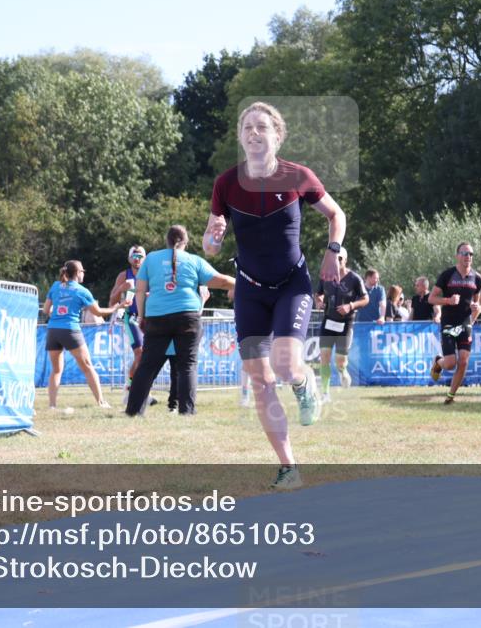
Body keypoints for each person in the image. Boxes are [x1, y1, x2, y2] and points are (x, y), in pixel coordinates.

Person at [204, 101, 346, 490]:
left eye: (262, 127)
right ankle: (289, 467)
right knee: (260, 380)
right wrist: (211, 238)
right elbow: (212, 244)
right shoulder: (226, 184)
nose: (254, 133)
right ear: (240, 136)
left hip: (291, 285)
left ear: (277, 135)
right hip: (249, 289)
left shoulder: (298, 176)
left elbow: (337, 215)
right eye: (247, 127)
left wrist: (333, 252)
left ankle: (304, 385)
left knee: (285, 365)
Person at [126, 226, 234, 417]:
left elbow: (140, 291)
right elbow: (221, 281)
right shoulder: (194, 260)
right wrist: (245, 281)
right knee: (187, 365)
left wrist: (142, 317)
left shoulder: (151, 259)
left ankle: (134, 412)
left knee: (147, 366)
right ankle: (187, 411)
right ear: (186, 242)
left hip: (157, 317)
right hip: (188, 317)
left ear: (166, 240)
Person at [43, 260, 121, 410]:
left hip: (53, 330)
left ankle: (52, 405)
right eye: (82, 271)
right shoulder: (81, 291)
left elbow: (46, 310)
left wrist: (59, 315)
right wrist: (115, 308)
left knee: (56, 370)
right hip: (70, 330)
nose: (83, 274)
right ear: (78, 273)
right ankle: (101, 402)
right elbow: (98, 312)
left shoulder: (55, 286)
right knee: (88, 367)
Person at [429, 243, 481, 405]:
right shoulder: (447, 275)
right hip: (449, 323)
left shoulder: (477, 278)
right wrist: (448, 300)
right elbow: (431, 298)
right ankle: (438, 362)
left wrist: (477, 307)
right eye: (465, 253)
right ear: (457, 256)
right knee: (451, 362)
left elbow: (478, 302)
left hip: (465, 324)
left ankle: (450, 396)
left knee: (464, 361)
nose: (468, 257)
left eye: (471, 254)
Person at [314, 247, 368, 404]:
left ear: (346, 260)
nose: (337, 262)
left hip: (345, 323)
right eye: (334, 259)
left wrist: (350, 306)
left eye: (340, 259)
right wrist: (318, 301)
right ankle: (325, 394)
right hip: (328, 321)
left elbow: (366, 299)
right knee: (324, 356)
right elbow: (319, 293)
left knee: (340, 360)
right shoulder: (326, 276)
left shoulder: (354, 279)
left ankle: (343, 370)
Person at [109, 246, 150, 403]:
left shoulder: (150, 274)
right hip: (132, 317)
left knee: (148, 355)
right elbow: (112, 300)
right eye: (134, 255)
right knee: (139, 353)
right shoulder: (123, 275)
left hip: (149, 317)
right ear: (129, 258)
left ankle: (138, 390)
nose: (137, 258)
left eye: (140, 255)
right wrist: (121, 288)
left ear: (145, 258)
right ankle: (130, 391)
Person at [166, 286, 211, 412]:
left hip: (183, 335)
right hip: (176, 334)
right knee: (179, 370)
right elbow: (196, 314)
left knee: (179, 370)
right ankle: (176, 404)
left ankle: (178, 404)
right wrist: (202, 300)